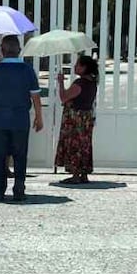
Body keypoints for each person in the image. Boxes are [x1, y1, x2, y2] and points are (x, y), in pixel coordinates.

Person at [0, 35, 43, 202]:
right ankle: (19, 190)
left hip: (0, 119)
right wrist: (39, 117)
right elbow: (35, 96)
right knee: (20, 156)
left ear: (2, 50)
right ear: (19, 50)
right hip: (20, 119)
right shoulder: (27, 70)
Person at [55, 54, 99, 185]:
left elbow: (64, 97)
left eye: (77, 65)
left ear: (84, 67)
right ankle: (84, 174)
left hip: (75, 118)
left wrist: (61, 83)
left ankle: (75, 175)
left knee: (74, 144)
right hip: (86, 118)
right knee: (84, 145)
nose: (74, 67)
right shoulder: (92, 82)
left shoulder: (79, 84)